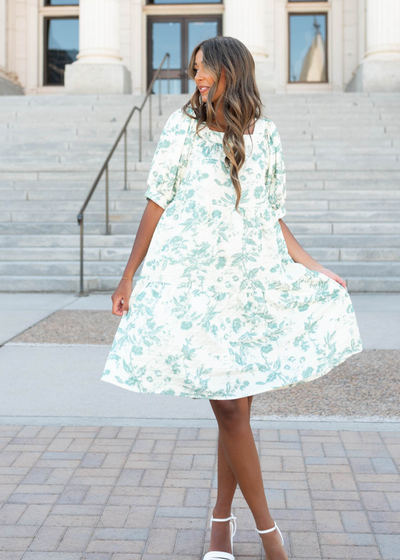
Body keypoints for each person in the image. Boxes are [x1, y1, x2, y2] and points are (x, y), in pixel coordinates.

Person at [101, 36, 363, 560]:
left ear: (230, 73)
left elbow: (273, 215)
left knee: (233, 408)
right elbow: (157, 201)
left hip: (249, 285)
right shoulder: (181, 128)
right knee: (230, 408)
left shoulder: (265, 136)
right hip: (192, 286)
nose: (195, 78)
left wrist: (315, 268)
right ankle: (270, 537)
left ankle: (221, 525)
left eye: (204, 70)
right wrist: (129, 274)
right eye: (193, 70)